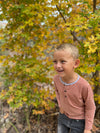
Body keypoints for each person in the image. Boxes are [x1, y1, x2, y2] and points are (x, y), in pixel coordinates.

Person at [53, 43, 96, 133]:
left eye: (63, 61)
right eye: (55, 61)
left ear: (75, 63)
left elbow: (90, 107)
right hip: (63, 117)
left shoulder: (84, 86)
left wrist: (88, 128)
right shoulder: (56, 79)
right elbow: (57, 92)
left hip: (79, 121)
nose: (58, 65)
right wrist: (60, 105)